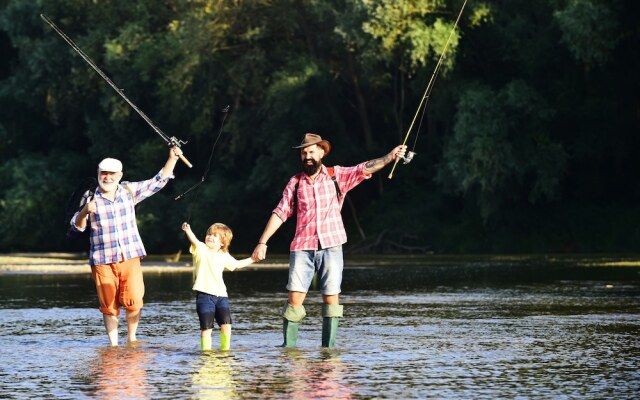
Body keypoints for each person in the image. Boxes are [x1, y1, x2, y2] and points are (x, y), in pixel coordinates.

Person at [252, 133, 406, 348]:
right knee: (294, 299)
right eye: (304, 152)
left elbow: (365, 168)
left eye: (312, 151)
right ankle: (288, 350)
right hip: (302, 247)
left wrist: (389, 157)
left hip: (332, 246)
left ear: (322, 153)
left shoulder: (337, 176)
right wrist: (262, 242)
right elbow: (280, 212)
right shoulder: (295, 183)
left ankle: (328, 351)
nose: (307, 156)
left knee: (331, 298)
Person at [70, 146, 183, 346]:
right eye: (103, 173)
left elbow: (158, 181)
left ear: (119, 175)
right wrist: (84, 212)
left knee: (134, 300)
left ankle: (132, 339)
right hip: (102, 260)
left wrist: (172, 158)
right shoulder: (89, 198)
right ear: (98, 174)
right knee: (109, 305)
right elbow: (77, 228)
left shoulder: (129, 191)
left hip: (130, 256)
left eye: (112, 174)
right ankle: (113, 345)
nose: (107, 177)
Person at [182, 222, 257, 351]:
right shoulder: (201, 249)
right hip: (204, 296)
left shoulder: (224, 255)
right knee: (207, 327)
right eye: (209, 234)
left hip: (222, 296)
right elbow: (194, 240)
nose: (210, 237)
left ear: (222, 242)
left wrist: (253, 259)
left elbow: (237, 265)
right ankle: (206, 353)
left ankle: (225, 350)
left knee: (226, 325)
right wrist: (187, 230)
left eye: (215, 235)